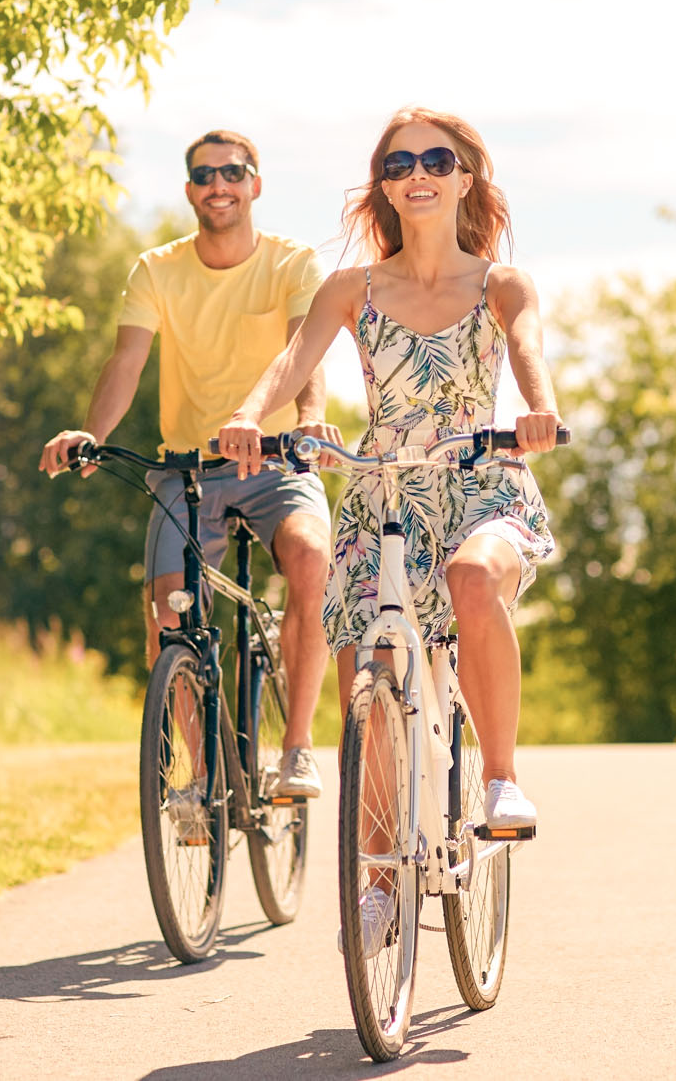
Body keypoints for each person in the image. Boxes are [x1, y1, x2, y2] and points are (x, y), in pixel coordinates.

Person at [216, 107, 559, 836]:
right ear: (386, 188)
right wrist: (248, 416)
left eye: (436, 161)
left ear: (466, 179)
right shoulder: (352, 288)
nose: (418, 176)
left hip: (481, 478)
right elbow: (291, 362)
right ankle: (373, 880)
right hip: (384, 493)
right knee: (367, 666)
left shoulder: (501, 283)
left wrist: (539, 409)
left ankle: (501, 779)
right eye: (399, 166)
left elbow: (527, 346)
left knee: (473, 579)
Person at [39, 129, 338, 800]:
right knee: (169, 614)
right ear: (189, 192)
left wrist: (308, 421)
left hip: (276, 460)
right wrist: (90, 434)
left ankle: (296, 750)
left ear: (255, 184)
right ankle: (202, 781)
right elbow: (126, 363)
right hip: (186, 471)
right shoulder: (157, 269)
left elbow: (303, 356)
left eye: (232, 172)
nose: (218, 185)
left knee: (311, 559)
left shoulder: (293, 263)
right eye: (204, 176)